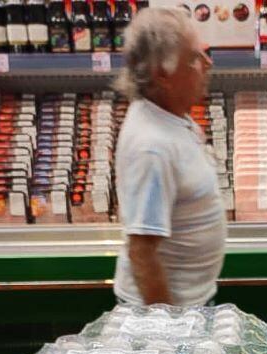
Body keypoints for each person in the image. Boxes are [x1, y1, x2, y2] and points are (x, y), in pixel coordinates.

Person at [111, 8, 224, 307]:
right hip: (171, 315)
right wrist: (171, 330)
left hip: (192, 304)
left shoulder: (169, 115)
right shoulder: (152, 146)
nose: (207, 63)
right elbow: (142, 253)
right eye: (194, 58)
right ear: (163, 73)